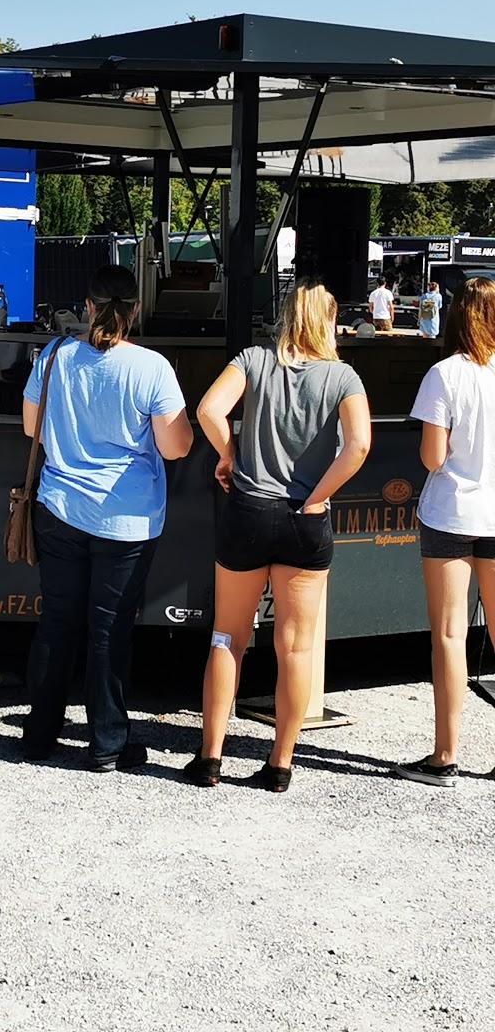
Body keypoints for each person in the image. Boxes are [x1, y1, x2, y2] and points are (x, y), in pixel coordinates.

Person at [187, 281, 371, 792]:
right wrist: (317, 496)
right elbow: (358, 446)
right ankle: (280, 763)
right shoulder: (343, 376)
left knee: (228, 638)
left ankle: (210, 757)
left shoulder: (252, 360)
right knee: (295, 648)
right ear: (329, 319)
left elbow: (208, 410)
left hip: (247, 509)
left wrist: (228, 455)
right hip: (304, 521)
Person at [21, 265, 193, 771]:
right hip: (127, 519)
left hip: (60, 509)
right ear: (136, 310)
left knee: (56, 622)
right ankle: (107, 743)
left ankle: (38, 736)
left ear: (88, 306)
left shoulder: (53, 357)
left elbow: (31, 426)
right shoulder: (151, 368)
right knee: (109, 631)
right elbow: (176, 446)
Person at [395, 277, 495, 787]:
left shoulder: (443, 375)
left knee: (450, 635)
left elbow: (433, 457)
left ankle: (446, 755)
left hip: (452, 514)